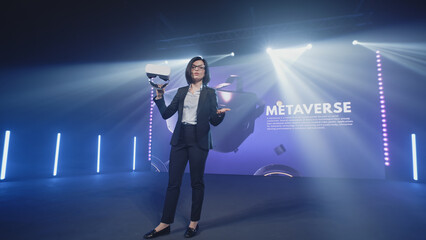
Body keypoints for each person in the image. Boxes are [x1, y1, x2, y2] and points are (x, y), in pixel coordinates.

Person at [144, 56, 230, 239]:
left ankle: (193, 223)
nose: (197, 69)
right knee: (173, 183)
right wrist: (159, 96)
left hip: (199, 142)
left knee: (196, 183)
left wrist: (220, 115)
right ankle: (165, 223)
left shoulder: (210, 93)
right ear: (189, 71)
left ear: (205, 72)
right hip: (180, 140)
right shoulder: (182, 92)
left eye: (201, 67)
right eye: (194, 67)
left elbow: (214, 121)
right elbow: (167, 114)